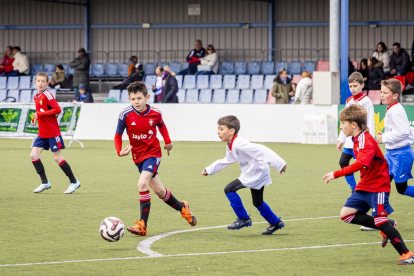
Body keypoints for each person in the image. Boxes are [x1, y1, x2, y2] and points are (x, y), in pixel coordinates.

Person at [322, 104, 414, 266]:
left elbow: (361, 163)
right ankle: (388, 225)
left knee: (379, 221)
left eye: (343, 123)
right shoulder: (356, 139)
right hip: (365, 185)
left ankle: (407, 254)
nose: (341, 127)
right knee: (346, 214)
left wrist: (336, 173)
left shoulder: (365, 139)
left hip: (378, 186)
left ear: (353, 124)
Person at [114, 81, 196, 236]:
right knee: (159, 191)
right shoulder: (125, 114)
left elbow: (162, 126)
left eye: (139, 98)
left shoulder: (155, 113)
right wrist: (119, 151)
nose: (136, 102)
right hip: (137, 156)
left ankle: (142, 225)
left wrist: (168, 142)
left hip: (153, 153)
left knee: (142, 183)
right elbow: (117, 135)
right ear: (129, 99)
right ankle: (182, 207)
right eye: (133, 99)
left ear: (147, 97)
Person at [202, 116, 287, 234]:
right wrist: (210, 169)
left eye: (221, 129)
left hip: (256, 173)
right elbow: (227, 159)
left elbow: (261, 150)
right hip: (255, 172)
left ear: (231, 131)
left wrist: (280, 164)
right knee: (257, 202)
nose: (218, 132)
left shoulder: (239, 143)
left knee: (229, 189)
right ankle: (275, 222)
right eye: (218, 129)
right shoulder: (230, 144)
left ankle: (244, 218)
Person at [30, 72, 81, 194]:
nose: (41, 83)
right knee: (33, 155)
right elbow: (39, 111)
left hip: (52, 133)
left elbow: (57, 109)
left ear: (47, 83)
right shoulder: (36, 96)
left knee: (57, 158)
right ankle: (44, 182)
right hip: (42, 133)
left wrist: (40, 114)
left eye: (43, 81)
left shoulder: (48, 94)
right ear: (35, 82)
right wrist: (34, 118)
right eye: (39, 81)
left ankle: (74, 182)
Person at [337, 72, 375, 192]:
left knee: (364, 166)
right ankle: (355, 189)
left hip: (361, 142)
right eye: (350, 86)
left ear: (362, 85)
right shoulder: (349, 101)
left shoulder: (366, 101)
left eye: (355, 86)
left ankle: (367, 188)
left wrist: (371, 140)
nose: (352, 89)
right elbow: (345, 122)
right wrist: (341, 139)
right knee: (343, 162)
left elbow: (370, 122)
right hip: (349, 141)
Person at [377, 79, 414, 199]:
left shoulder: (396, 110)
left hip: (401, 155)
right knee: (382, 183)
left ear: (395, 95)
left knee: (401, 189)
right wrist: (384, 135)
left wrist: (384, 138)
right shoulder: (391, 108)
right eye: (381, 92)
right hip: (391, 153)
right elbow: (398, 130)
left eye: (385, 93)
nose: (381, 95)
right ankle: (380, 212)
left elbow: (404, 131)